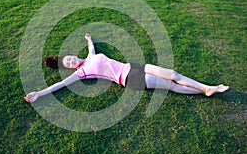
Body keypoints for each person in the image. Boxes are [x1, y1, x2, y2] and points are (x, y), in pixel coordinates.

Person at [24, 33, 229, 103]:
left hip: (135, 66)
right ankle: (206, 90)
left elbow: (91, 48)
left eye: (70, 57)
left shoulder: (90, 56)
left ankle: (206, 87)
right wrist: (39, 94)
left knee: (173, 74)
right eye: (68, 63)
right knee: (171, 85)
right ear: (71, 68)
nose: (72, 60)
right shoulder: (82, 73)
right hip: (130, 80)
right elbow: (59, 84)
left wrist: (89, 39)